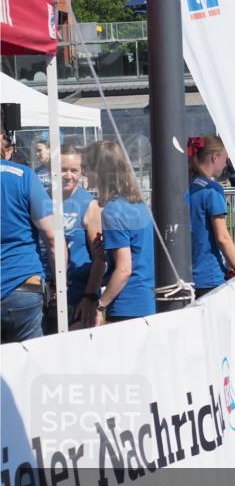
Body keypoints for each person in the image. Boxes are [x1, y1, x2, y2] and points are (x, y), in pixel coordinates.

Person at [85, 141, 155, 324]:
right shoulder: (138, 205)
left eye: (87, 167)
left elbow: (124, 269)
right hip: (145, 299)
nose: (84, 173)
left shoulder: (113, 211)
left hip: (127, 305)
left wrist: (100, 305)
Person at [1, 156, 56, 342]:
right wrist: (56, 282)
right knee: (28, 364)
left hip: (22, 287)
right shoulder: (23, 175)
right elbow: (51, 236)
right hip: (24, 285)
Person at [186, 135, 235, 299]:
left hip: (186, 274)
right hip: (209, 275)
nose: (226, 164)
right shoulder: (212, 190)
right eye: (225, 159)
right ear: (215, 157)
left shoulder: (188, 185)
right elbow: (223, 237)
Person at [58, 144, 105, 328]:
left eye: (73, 170)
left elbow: (100, 259)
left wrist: (90, 296)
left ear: (81, 171)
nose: (68, 175)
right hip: (49, 297)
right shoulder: (44, 200)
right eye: (63, 170)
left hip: (78, 296)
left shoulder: (88, 204)